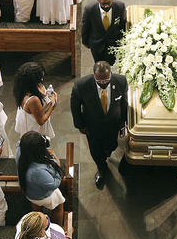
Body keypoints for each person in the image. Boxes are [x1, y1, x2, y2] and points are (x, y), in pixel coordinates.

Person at [69, 61, 128, 189]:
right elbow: (75, 107)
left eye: (106, 79)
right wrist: (80, 125)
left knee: (112, 145)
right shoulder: (81, 85)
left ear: (111, 74)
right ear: (94, 75)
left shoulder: (121, 81)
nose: (103, 83)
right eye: (100, 81)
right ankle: (101, 168)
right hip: (92, 126)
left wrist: (123, 122)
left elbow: (124, 103)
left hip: (113, 125)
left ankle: (107, 153)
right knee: (96, 151)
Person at [16, 131, 66, 224]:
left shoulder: (20, 152)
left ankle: (38, 219)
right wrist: (56, 164)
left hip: (29, 191)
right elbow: (53, 184)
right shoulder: (38, 171)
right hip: (42, 195)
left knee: (37, 207)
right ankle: (56, 227)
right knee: (59, 206)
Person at [81, 0, 126, 65]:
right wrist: (85, 42)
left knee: (111, 63)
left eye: (108, 3)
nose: (106, 6)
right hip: (96, 44)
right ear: (98, 0)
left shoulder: (120, 7)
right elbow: (85, 27)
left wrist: (122, 39)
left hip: (113, 43)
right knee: (99, 64)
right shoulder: (89, 9)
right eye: (103, 4)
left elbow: (123, 24)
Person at [14, 61, 58, 139]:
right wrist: (52, 104)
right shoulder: (33, 100)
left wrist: (47, 96)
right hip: (33, 130)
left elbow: (42, 97)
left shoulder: (23, 86)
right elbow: (41, 121)